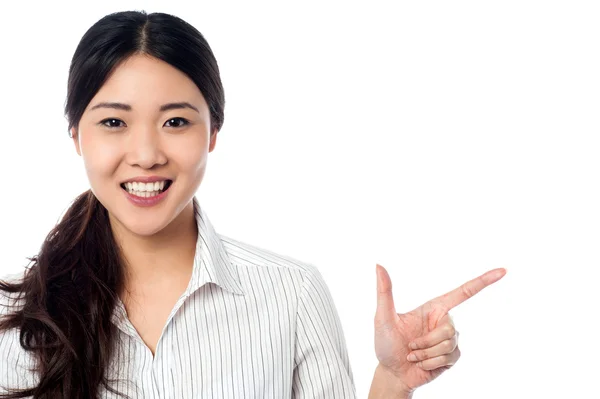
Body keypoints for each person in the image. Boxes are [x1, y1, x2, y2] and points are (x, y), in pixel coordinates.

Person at [0, 10, 506, 399]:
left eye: (176, 121)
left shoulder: (292, 295)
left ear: (213, 132)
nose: (147, 154)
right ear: (75, 136)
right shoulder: (16, 317)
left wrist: (393, 380)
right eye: (114, 122)